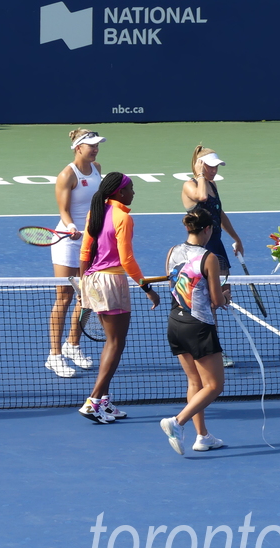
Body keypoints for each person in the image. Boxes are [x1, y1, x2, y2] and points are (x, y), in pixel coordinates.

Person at [77, 173, 160, 424]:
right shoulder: (123, 217)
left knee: (111, 343)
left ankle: (103, 402)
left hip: (92, 281)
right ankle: (93, 401)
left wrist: (83, 285)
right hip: (112, 283)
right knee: (115, 343)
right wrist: (147, 288)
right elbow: (126, 260)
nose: (134, 193)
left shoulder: (96, 213)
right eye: (131, 189)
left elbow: (84, 253)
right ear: (120, 193)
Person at [160, 207, 230, 455]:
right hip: (198, 326)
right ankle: (177, 422)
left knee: (195, 381)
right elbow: (216, 300)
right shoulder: (208, 258)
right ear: (208, 229)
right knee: (214, 385)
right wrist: (224, 295)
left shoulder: (172, 252)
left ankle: (202, 437)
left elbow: (175, 286)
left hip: (175, 322)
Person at [45, 128, 106, 378]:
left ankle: (73, 345)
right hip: (68, 243)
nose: (95, 148)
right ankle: (55, 356)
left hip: (91, 241)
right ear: (78, 147)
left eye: (97, 144)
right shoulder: (66, 175)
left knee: (87, 296)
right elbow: (64, 210)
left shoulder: (97, 168)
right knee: (65, 297)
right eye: (91, 145)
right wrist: (71, 228)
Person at [181, 145, 245, 368]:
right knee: (205, 302)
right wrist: (199, 175)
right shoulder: (191, 185)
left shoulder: (213, 185)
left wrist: (236, 238)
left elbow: (219, 213)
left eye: (217, 166)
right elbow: (201, 196)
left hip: (216, 245)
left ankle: (210, 347)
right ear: (200, 165)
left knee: (221, 298)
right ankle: (208, 350)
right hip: (199, 251)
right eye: (210, 166)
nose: (215, 170)